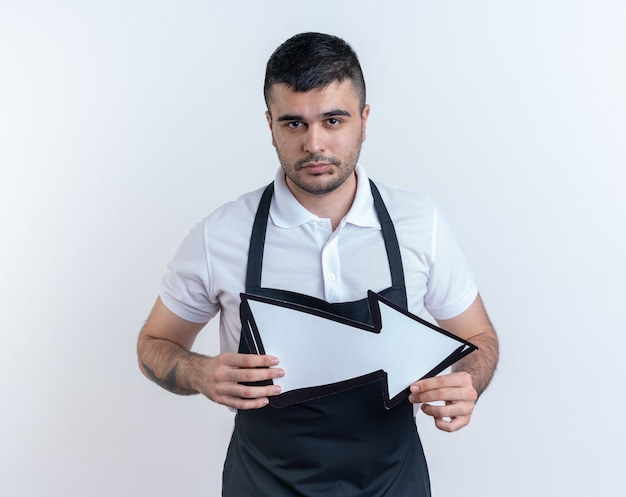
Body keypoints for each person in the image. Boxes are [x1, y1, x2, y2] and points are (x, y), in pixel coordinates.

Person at [137, 32, 499, 496]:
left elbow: (478, 337)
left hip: (393, 484)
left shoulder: (419, 224)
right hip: (263, 484)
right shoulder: (220, 235)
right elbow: (153, 343)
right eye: (293, 123)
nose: (314, 143)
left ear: (364, 121)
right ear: (269, 126)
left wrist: (465, 381)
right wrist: (199, 373)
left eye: (333, 120)